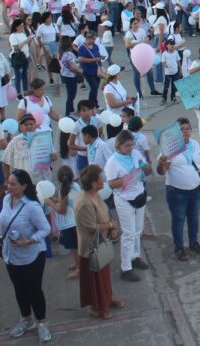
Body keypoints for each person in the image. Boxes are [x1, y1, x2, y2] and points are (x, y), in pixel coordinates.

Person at [0, 169, 52, 342]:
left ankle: (42, 322)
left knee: (34, 290)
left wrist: (29, 241)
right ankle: (26, 319)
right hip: (11, 254)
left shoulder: (32, 207)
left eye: (13, 184)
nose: (9, 186)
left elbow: (46, 229)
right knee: (19, 289)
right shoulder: (7, 199)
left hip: (32, 256)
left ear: (24, 186)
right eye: (9, 183)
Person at [156, 118, 200, 260]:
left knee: (193, 218)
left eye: (188, 128)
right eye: (182, 129)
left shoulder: (194, 144)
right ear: (176, 132)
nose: (186, 131)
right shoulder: (168, 147)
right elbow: (162, 172)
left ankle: (194, 243)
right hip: (177, 192)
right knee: (179, 220)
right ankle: (179, 248)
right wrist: (162, 162)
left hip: (196, 189)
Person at [74, 165, 122, 320]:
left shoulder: (96, 194)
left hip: (102, 241)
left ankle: (107, 299)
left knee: (105, 275)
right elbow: (90, 227)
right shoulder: (84, 202)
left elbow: (106, 212)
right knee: (95, 279)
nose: (104, 181)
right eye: (101, 179)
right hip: (91, 247)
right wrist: (110, 226)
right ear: (94, 183)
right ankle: (97, 307)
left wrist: (112, 224)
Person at [103, 130, 151, 281]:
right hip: (124, 199)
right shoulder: (112, 162)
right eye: (127, 146)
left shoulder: (136, 154)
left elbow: (147, 170)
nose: (130, 148)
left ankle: (135, 256)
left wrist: (146, 167)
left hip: (139, 195)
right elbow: (111, 184)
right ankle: (125, 267)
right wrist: (127, 179)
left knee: (138, 230)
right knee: (129, 233)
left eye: (132, 145)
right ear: (118, 146)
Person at [45, 166, 80, 280]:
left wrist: (50, 203)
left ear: (59, 179)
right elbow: (68, 202)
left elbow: (61, 210)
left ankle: (79, 269)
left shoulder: (63, 191)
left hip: (68, 224)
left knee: (74, 248)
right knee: (78, 246)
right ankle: (78, 263)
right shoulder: (76, 186)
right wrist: (57, 200)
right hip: (78, 221)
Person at [76, 32, 105, 108]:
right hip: (88, 70)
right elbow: (82, 59)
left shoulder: (95, 46)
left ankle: (94, 103)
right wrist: (95, 59)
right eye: (93, 39)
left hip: (96, 70)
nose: (94, 41)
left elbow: (97, 55)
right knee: (94, 87)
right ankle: (92, 104)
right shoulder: (82, 48)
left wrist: (100, 59)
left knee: (95, 88)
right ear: (88, 38)